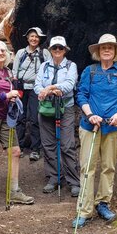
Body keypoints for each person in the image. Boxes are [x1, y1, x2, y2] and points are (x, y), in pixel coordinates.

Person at [73, 34, 117, 227]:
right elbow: (81, 95)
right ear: (98, 52)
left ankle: (103, 203)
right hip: (90, 126)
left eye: (110, 47)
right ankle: (84, 210)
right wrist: (90, 114)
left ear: (115, 51)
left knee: (108, 167)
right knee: (87, 168)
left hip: (114, 128)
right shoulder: (89, 72)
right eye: (103, 48)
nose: (106, 50)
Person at [0, 40, 34, 206]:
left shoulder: (9, 73)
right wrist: (4, 96)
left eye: (4, 51)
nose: (1, 53)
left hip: (7, 116)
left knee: (15, 151)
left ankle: (15, 190)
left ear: (8, 55)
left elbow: (12, 93)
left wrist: (14, 97)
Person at [33, 36, 80, 197]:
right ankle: (54, 177)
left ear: (65, 50)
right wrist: (46, 91)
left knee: (67, 145)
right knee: (48, 144)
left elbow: (69, 84)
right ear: (51, 50)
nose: (58, 51)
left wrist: (51, 88)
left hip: (64, 108)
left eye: (60, 48)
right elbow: (37, 85)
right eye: (55, 48)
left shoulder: (71, 66)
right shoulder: (44, 66)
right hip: (46, 108)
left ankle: (74, 180)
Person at [12, 27, 51, 161]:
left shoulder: (44, 53)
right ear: (27, 38)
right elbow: (14, 71)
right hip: (22, 87)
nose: (34, 39)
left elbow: (49, 69)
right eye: (32, 36)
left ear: (40, 39)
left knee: (35, 118)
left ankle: (35, 149)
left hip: (36, 88)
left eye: (37, 37)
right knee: (20, 117)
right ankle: (20, 147)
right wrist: (15, 86)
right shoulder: (21, 53)